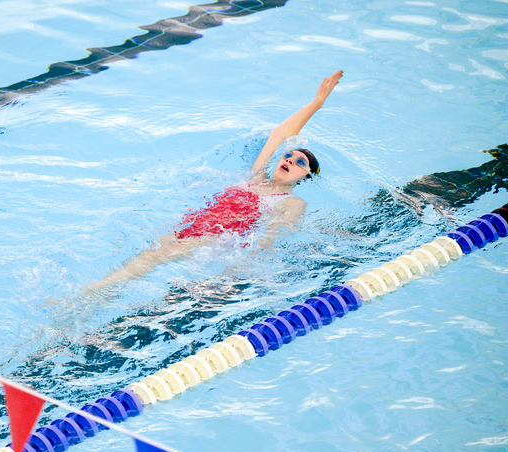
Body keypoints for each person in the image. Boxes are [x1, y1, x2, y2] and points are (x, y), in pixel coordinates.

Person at [88, 69, 344, 291]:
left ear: (306, 177)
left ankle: (98, 290)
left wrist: (234, 271)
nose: (289, 160)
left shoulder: (292, 202)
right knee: (141, 247)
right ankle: (106, 288)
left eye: (300, 162)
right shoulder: (255, 176)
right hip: (193, 225)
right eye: (288, 156)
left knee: (153, 258)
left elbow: (270, 238)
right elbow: (279, 135)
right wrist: (315, 103)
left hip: (217, 241)